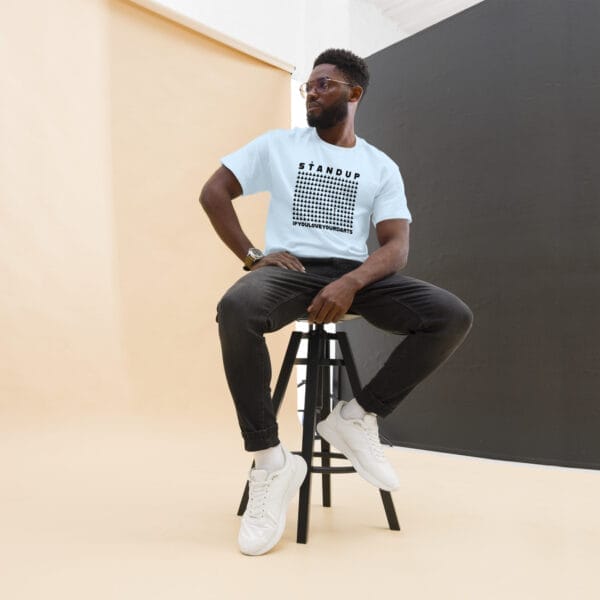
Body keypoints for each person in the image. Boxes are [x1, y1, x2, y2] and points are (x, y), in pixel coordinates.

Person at [200, 48, 473, 556]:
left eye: (323, 84)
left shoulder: (379, 166)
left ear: (354, 93)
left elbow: (396, 247)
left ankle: (355, 416)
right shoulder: (279, 146)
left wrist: (351, 283)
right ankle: (270, 462)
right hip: (292, 272)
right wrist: (254, 256)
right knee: (236, 309)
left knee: (450, 316)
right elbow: (214, 192)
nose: (311, 91)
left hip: (355, 274)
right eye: (308, 85)